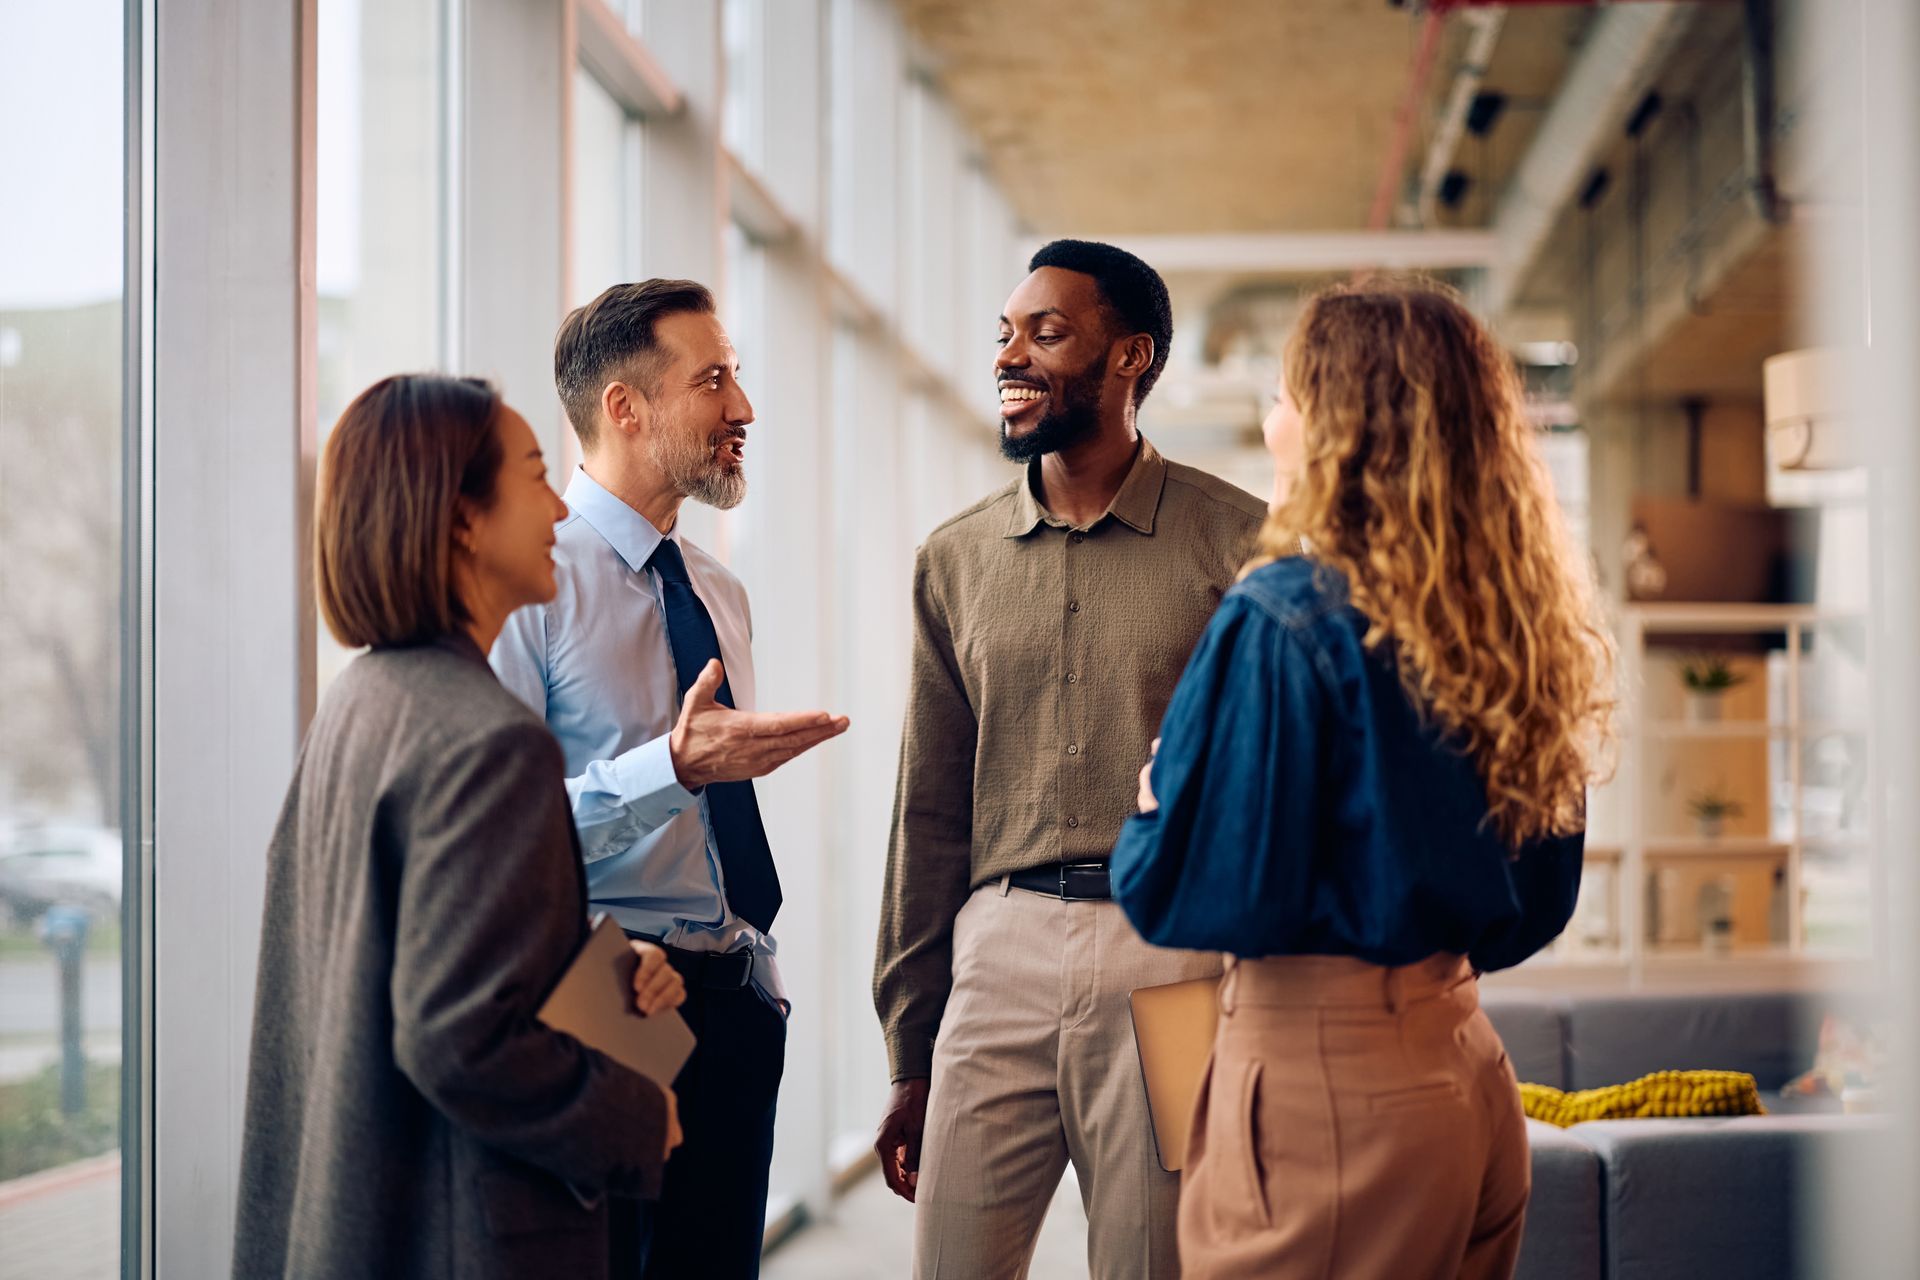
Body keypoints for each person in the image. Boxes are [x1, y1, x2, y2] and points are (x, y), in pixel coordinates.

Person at [1111, 280, 1617, 1280]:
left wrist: (1160, 803)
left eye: (1286, 396)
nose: (1270, 420)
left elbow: (1193, 891)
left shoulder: (1287, 613)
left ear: (1339, 426)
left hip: (1322, 1083)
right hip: (1463, 1066)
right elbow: (1536, 901)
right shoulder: (1509, 624)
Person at [234, 375, 688, 1280]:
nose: (562, 506)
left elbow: (408, 956)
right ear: (462, 520)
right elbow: (459, 1038)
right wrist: (638, 1115)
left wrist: (589, 969)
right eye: (532, 476)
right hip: (460, 1234)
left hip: (354, 1215)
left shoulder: (361, 705)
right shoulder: (491, 744)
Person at [873, 240, 1266, 1279]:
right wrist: (910, 1046)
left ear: (1131, 357)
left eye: (1047, 331)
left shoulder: (1243, 543)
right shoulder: (953, 560)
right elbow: (928, 810)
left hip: (1178, 962)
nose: (1012, 354)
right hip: (996, 956)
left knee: (1160, 1264)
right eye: (1005, 333)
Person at [491, 280, 849, 1279]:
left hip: (734, 1003)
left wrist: (756, 977)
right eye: (715, 380)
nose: (743, 408)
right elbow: (501, 839)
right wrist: (672, 768)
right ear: (624, 407)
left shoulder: (717, 590)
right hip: (610, 999)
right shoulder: (533, 583)